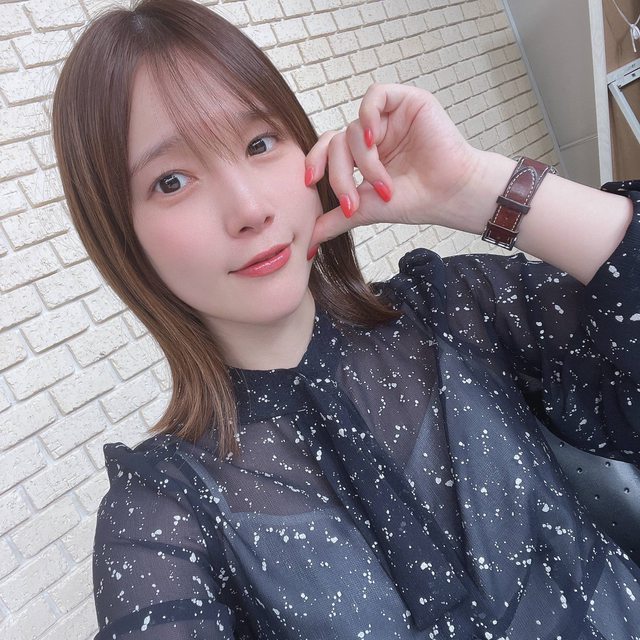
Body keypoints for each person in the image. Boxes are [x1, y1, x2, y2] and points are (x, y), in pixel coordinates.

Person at [51, 0, 640, 638]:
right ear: (122, 236)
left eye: (258, 143)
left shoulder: (452, 309)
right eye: (171, 181)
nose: (249, 209)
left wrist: (473, 187)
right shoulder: (160, 517)